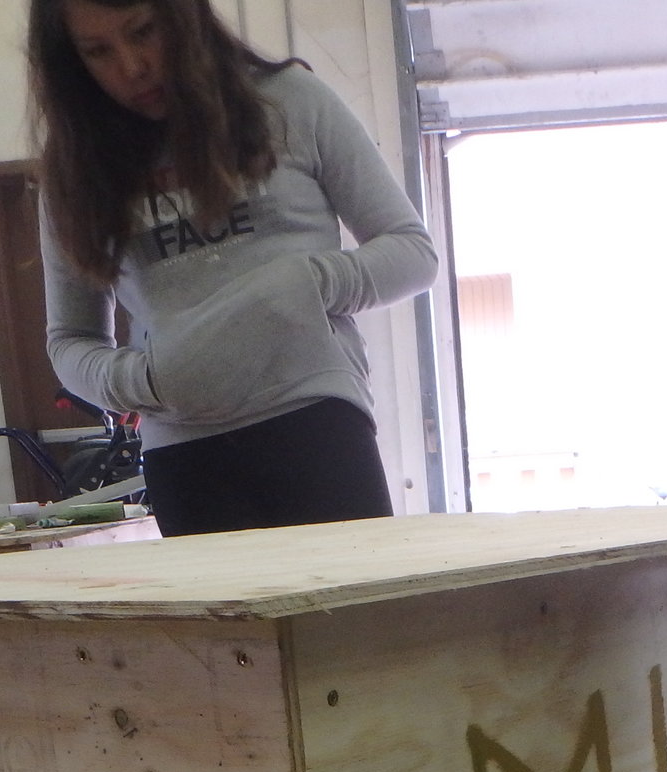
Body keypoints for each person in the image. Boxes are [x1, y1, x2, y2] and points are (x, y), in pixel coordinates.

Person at [29, 0, 437, 536]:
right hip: (184, 451)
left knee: (346, 618)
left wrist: (310, 282)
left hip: (315, 420)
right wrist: (135, 381)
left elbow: (412, 253)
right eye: (98, 52)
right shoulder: (75, 166)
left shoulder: (290, 100)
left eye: (143, 32)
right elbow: (70, 340)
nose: (132, 67)